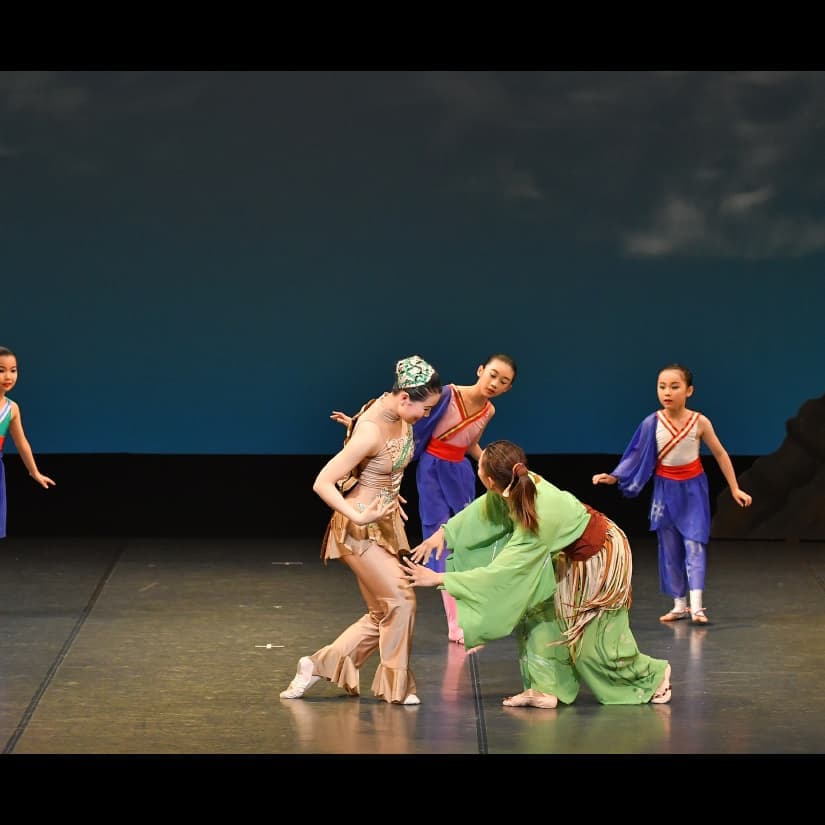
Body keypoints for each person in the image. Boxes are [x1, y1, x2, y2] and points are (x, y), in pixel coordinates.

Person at [402, 439, 672, 708]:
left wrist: (439, 578)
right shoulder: (517, 482)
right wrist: (445, 533)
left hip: (599, 557)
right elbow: (487, 507)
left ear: (489, 481)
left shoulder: (536, 521)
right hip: (567, 553)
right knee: (537, 614)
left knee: (592, 644)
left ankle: (652, 676)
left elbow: (501, 573)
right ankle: (545, 688)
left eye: (479, 467)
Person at [280, 355, 442, 706]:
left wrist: (390, 490)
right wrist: (360, 514)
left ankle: (317, 666)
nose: (425, 415)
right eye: (425, 409)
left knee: (382, 612)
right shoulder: (371, 429)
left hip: (386, 523)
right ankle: (396, 688)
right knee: (401, 601)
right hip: (359, 528)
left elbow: (380, 458)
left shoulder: (389, 409)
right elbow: (322, 482)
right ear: (404, 398)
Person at [332, 354, 517, 645]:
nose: (495, 383)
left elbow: (470, 443)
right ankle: (455, 623)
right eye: (492, 374)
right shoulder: (449, 394)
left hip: (459, 472)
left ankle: (469, 612)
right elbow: (404, 414)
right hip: (433, 469)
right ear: (480, 370)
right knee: (439, 540)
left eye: (503, 381)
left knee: (464, 539)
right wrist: (358, 423)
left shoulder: (488, 410)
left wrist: (497, 471)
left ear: (508, 388)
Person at [592, 363, 752, 626]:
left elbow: (720, 453)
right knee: (669, 549)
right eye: (662, 386)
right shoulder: (652, 423)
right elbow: (635, 454)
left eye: (674, 386)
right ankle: (679, 604)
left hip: (693, 491)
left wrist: (734, 487)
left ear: (689, 391)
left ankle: (697, 606)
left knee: (694, 545)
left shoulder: (699, 422)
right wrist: (615, 476)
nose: (667, 392)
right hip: (665, 491)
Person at [0, 346, 55, 539]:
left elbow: (21, 442)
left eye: (13, 370)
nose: (8, 376)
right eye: (1, 370)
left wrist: (34, 472)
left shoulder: (12, 408)